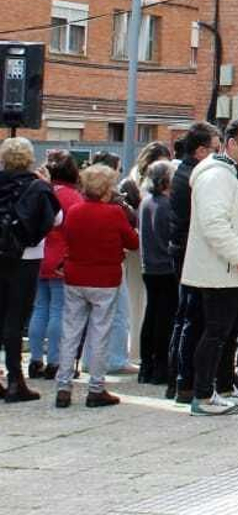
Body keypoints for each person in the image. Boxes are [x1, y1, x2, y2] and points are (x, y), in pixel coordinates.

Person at [184, 117, 238, 416]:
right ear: (230, 143)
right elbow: (214, 223)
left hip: (237, 271)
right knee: (216, 332)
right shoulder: (217, 175)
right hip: (223, 270)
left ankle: (222, 388)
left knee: (229, 332)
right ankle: (203, 395)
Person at [52, 165, 137, 408]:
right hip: (105, 279)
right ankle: (96, 388)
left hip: (75, 276)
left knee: (71, 331)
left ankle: (64, 386)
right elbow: (132, 242)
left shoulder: (76, 211)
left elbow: (68, 238)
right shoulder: (113, 213)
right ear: (106, 189)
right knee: (100, 333)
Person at [165, 122, 220, 402]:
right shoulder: (192, 176)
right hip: (189, 251)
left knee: (185, 317)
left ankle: (177, 378)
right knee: (192, 318)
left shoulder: (185, 172)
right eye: (215, 149)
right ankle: (183, 381)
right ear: (201, 151)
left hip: (182, 249)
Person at [2, 138, 60, 402]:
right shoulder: (37, 186)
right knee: (16, 318)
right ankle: (15, 380)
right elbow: (57, 219)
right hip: (27, 257)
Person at [27, 151, 83, 380]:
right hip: (62, 259)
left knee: (39, 309)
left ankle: (35, 359)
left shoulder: (38, 191)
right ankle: (55, 361)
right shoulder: (72, 197)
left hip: (39, 255)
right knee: (59, 311)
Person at [136, 159, 178, 388]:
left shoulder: (146, 202)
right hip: (165, 267)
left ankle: (147, 366)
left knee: (151, 316)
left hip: (149, 266)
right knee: (164, 319)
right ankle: (160, 366)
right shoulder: (165, 205)